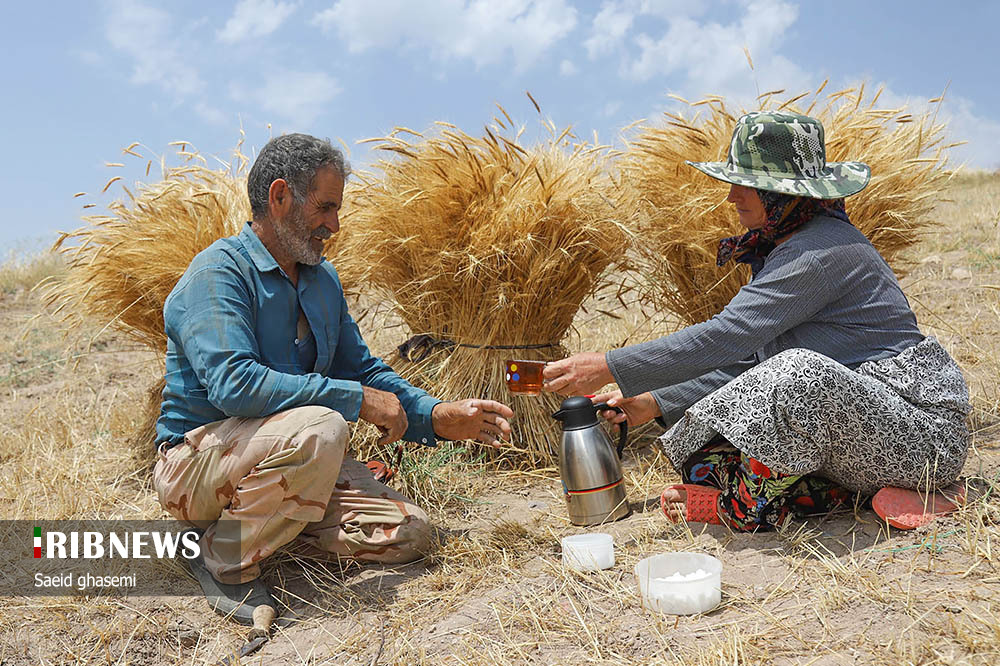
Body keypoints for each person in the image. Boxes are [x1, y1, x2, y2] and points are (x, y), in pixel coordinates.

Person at [542, 111, 970, 532]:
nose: (732, 196)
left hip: (923, 437)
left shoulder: (818, 252)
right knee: (704, 447)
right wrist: (652, 401)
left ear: (785, 194)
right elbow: (755, 359)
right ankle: (858, 495)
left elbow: (728, 337)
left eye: (747, 184)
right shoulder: (788, 244)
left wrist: (607, 365)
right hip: (871, 430)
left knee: (799, 375)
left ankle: (744, 507)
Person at [152, 133, 514, 623]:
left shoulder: (323, 280)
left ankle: (271, 524)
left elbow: (362, 369)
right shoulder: (218, 274)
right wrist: (357, 401)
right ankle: (218, 555)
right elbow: (234, 385)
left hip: (291, 456)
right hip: (196, 468)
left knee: (410, 533)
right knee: (325, 426)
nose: (335, 225)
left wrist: (434, 415)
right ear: (279, 198)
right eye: (324, 208)